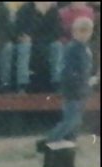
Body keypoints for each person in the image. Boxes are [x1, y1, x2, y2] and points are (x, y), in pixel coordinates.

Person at [40, 17, 98, 149]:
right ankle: (50, 140)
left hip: (82, 91)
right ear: (74, 32)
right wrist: (80, 82)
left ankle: (70, 142)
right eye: (81, 31)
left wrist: (89, 80)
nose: (84, 34)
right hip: (73, 91)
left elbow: (85, 69)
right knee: (70, 120)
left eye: (87, 31)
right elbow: (69, 72)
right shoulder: (72, 49)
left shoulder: (85, 49)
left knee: (77, 121)